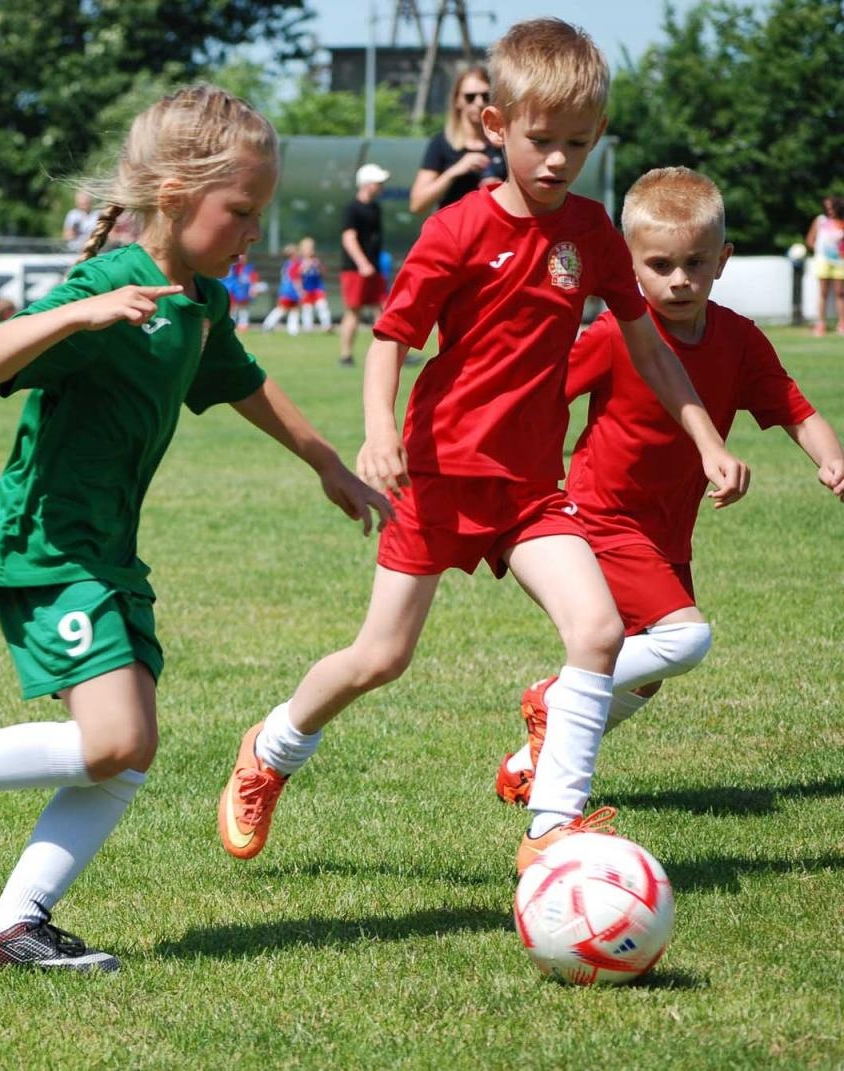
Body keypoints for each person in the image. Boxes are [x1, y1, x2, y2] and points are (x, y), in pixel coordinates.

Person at [0, 84, 391, 973]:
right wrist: (79, 311)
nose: (255, 231)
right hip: (47, 546)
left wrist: (327, 462)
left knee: (127, 752)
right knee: (115, 741)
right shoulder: (110, 285)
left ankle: (12, 925)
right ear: (177, 196)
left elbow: (244, 382)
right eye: (242, 212)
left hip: (104, 553)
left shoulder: (199, 300)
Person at [216, 18, 750, 877]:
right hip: (437, 477)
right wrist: (381, 430)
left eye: (577, 143)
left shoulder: (592, 234)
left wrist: (707, 437)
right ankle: (272, 748)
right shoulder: (458, 229)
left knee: (601, 629)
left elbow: (648, 346)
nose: (557, 161)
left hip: (532, 489)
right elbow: (392, 336)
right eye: (541, 141)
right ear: (496, 127)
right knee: (380, 657)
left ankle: (552, 826)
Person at [496, 168, 844, 804]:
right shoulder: (613, 336)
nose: (679, 279)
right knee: (684, 638)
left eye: (695, 263)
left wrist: (832, 460)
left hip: (666, 531)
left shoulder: (739, 339)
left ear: (722, 261)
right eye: (660, 265)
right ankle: (555, 698)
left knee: (645, 675)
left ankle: (525, 767)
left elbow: (794, 408)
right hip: (600, 518)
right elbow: (539, 394)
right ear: (627, 266)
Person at [410, 65, 507, 216]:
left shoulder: (504, 143)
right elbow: (417, 205)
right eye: (470, 97)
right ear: (457, 101)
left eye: (485, 96)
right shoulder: (441, 143)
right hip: (454, 233)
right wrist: (454, 172)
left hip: (495, 233)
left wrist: (501, 189)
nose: (479, 102)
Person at [338, 163, 389, 367]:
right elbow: (349, 238)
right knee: (353, 311)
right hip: (355, 269)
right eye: (378, 182)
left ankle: (389, 354)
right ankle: (346, 355)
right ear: (367, 184)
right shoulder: (352, 209)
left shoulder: (376, 208)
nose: (381, 186)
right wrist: (362, 263)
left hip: (374, 268)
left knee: (384, 310)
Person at [804, 195, 844, 337]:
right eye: (827, 207)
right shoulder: (820, 220)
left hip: (840, 262)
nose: (829, 210)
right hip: (823, 261)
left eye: (832, 207)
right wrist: (820, 252)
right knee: (823, 293)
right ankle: (820, 323)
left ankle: (842, 323)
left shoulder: (842, 222)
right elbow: (810, 240)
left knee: (840, 293)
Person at [258, 245, 303, 334]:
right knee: (282, 309)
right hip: (290, 290)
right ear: (292, 255)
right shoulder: (293, 264)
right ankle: (267, 324)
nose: (298, 254)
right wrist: (300, 291)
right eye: (296, 253)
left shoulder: (288, 263)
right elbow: (295, 279)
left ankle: (292, 329)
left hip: (287, 289)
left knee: (294, 309)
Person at [296, 237, 332, 333]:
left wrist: (318, 266)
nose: (310, 250)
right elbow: (297, 276)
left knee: (322, 306)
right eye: (307, 248)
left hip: (317, 288)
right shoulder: (300, 262)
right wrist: (300, 290)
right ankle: (307, 327)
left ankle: (327, 325)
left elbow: (323, 273)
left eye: (312, 248)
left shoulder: (317, 261)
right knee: (307, 309)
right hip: (306, 289)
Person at [221, 256, 264, 331]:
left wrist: (253, 288)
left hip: (243, 290)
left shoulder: (249, 268)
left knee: (243, 307)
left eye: (243, 257)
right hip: (232, 289)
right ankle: (231, 324)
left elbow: (253, 278)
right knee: (232, 307)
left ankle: (243, 324)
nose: (242, 259)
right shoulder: (232, 267)